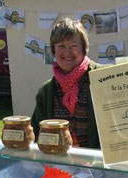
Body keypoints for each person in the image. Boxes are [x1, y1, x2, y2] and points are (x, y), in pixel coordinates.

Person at [31, 18, 103, 149]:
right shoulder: (46, 91)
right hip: (60, 164)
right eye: (61, 46)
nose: (67, 52)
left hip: (99, 164)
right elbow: (36, 133)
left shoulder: (104, 77)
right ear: (54, 51)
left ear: (84, 49)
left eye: (73, 46)